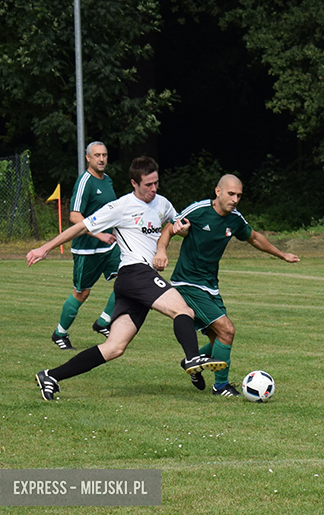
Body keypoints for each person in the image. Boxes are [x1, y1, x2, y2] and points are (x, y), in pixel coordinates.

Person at [27, 156, 226, 401]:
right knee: (183, 310)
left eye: (156, 183)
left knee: (114, 348)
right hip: (134, 273)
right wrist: (44, 248)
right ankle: (192, 358)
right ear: (134, 183)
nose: (153, 189)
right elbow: (81, 227)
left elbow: (176, 224)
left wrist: (180, 230)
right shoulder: (121, 206)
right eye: (148, 185)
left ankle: (50, 375)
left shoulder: (162, 203)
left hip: (134, 282)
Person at [153, 174, 299, 397]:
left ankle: (191, 363)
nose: (235, 199)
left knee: (218, 340)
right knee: (227, 330)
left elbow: (255, 238)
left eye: (239, 195)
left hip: (211, 286)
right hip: (188, 283)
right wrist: (161, 251)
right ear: (218, 192)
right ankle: (220, 386)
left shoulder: (235, 219)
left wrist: (281, 255)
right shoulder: (199, 210)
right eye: (231, 194)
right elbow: (169, 229)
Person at [50, 141, 120, 350]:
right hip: (87, 248)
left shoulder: (107, 181)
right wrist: (99, 235)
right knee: (82, 293)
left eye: (104, 155)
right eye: (97, 155)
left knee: (128, 279)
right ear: (88, 158)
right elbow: (74, 216)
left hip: (109, 246)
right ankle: (59, 333)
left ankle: (104, 322)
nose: (101, 159)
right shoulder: (85, 181)